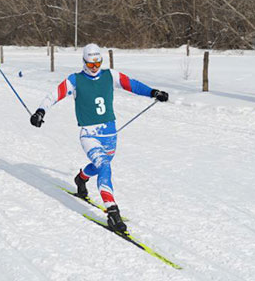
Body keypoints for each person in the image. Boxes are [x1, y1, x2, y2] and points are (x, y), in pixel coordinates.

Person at [30, 43, 169, 232]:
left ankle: (81, 178)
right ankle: (112, 212)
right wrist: (40, 112)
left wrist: (154, 92)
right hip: (89, 134)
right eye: (90, 64)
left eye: (97, 64)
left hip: (110, 133)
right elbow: (53, 96)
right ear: (84, 62)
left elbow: (133, 85)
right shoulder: (75, 80)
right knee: (104, 166)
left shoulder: (110, 75)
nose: (94, 68)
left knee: (99, 166)